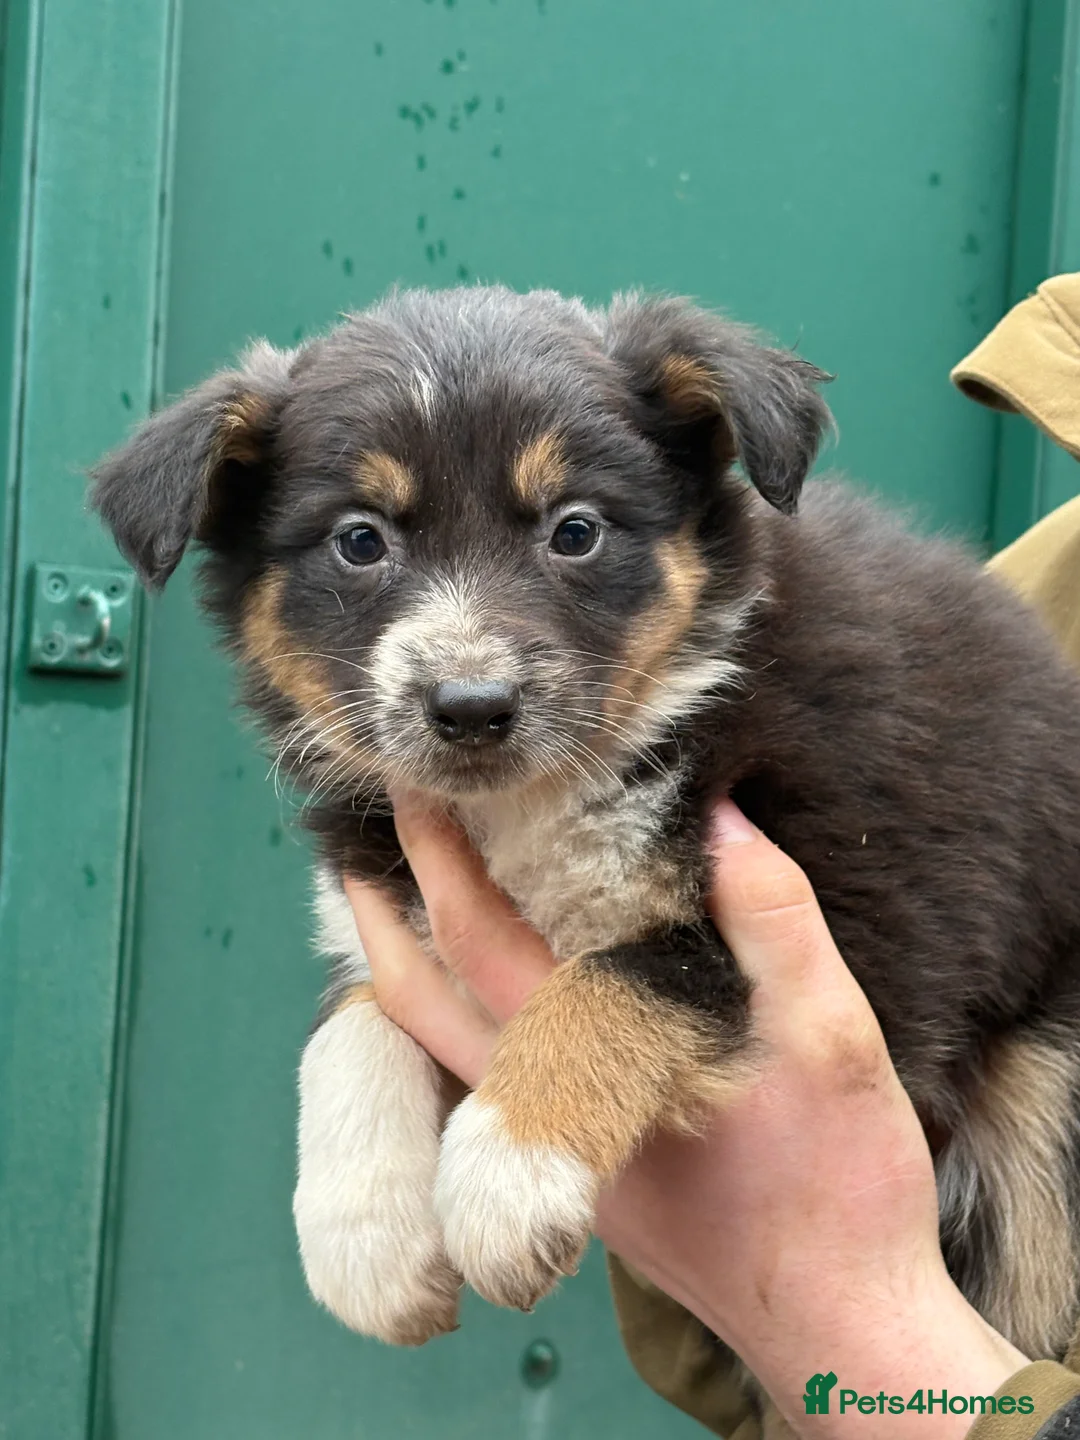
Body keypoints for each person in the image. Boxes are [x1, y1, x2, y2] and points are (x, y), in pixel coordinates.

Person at [344, 275, 1080, 1439]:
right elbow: (429, 978)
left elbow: (733, 979)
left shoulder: (774, 720)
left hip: (1007, 1138)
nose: (466, 660)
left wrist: (847, 1321)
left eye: (572, 533)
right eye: (361, 543)